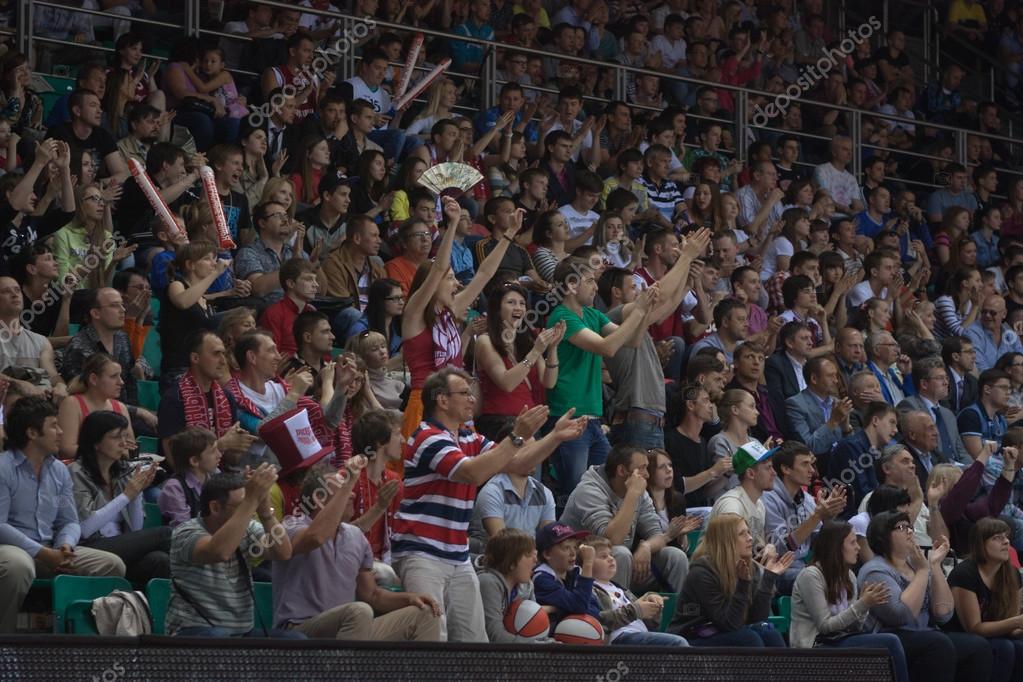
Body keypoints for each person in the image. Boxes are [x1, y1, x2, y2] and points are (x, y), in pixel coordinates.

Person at [390, 367, 586, 642]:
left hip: (457, 554)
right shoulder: (427, 436)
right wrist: (516, 436)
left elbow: (517, 462)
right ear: (442, 400)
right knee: (431, 639)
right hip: (422, 552)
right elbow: (473, 472)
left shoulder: (469, 436)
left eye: (471, 393)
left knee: (475, 642)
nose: (472, 399)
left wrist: (554, 436)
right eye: (464, 393)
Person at [273, 461, 442, 641]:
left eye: (350, 488)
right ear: (319, 498)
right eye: (343, 489)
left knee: (426, 612)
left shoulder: (355, 536)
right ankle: (352, 669)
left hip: (350, 626)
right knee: (358, 611)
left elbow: (372, 595)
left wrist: (409, 598)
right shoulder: (292, 525)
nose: (352, 494)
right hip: (300, 629)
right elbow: (316, 537)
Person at [0, 397, 126, 634]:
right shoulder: (3, 468)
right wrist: (42, 553)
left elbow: (69, 521)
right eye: (54, 426)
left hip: (50, 548)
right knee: (19, 564)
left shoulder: (58, 470)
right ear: (32, 433)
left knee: (111, 564)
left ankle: (72, 636)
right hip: (10, 549)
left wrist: (65, 545)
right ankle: (5, 641)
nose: (61, 432)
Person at [398, 198, 519, 440]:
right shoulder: (413, 315)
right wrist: (451, 224)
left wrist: (510, 233)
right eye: (450, 278)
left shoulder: (451, 309)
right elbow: (439, 267)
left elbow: (485, 273)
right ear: (433, 283)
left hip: (456, 403)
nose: (457, 283)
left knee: (462, 474)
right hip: (425, 403)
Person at [544, 256, 660, 495]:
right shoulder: (561, 316)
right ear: (572, 285)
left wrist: (646, 308)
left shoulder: (592, 314)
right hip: (569, 417)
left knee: (611, 486)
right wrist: (638, 309)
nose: (596, 287)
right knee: (573, 491)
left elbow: (633, 340)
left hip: (593, 419)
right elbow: (607, 347)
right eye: (589, 281)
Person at [166, 468, 303, 638]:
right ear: (215, 507)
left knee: (295, 640)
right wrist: (250, 501)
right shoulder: (185, 532)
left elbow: (283, 552)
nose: (250, 512)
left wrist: (266, 512)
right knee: (219, 637)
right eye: (242, 506)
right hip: (194, 630)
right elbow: (219, 552)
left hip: (241, 633)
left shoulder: (248, 528)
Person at [858, 511, 993, 682]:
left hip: (924, 635)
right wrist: (923, 571)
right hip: (890, 637)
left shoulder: (915, 565)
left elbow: (943, 614)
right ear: (882, 537)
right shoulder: (875, 570)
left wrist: (934, 566)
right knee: (938, 644)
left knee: (978, 647)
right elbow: (901, 615)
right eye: (901, 527)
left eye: (910, 527)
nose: (909, 532)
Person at [560, 444, 691, 594]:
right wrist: (632, 495)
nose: (647, 475)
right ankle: (619, 613)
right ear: (621, 470)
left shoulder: (639, 489)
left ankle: (672, 614)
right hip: (582, 569)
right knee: (620, 553)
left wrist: (646, 546)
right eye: (642, 468)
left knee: (675, 557)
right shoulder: (589, 491)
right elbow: (613, 540)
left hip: (621, 568)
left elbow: (657, 534)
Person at [789, 520, 911, 682]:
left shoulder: (849, 576)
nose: (858, 547)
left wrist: (866, 605)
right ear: (836, 546)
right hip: (814, 646)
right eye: (852, 542)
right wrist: (862, 604)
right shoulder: (811, 576)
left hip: (838, 640)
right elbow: (825, 627)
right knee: (890, 642)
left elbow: (855, 627)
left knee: (887, 644)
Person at [69, 410, 171, 587]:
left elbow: (135, 529)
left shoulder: (123, 471)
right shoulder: (76, 472)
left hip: (119, 546)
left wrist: (137, 492)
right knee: (166, 534)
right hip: (88, 547)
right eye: (116, 437)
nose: (124, 443)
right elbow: (85, 529)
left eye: (125, 436)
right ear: (96, 442)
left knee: (159, 560)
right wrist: (127, 495)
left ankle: (146, 611)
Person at [670, 513, 793, 646]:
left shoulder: (749, 567)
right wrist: (743, 584)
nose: (750, 538)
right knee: (748, 639)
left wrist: (769, 577)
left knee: (769, 633)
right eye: (742, 534)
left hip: (723, 631)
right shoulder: (702, 572)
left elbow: (757, 618)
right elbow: (729, 623)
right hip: (693, 636)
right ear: (726, 540)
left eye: (749, 532)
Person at [474, 283, 562, 442]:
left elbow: (549, 382)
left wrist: (553, 347)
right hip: (500, 425)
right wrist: (536, 352)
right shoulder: (485, 341)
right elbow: (506, 383)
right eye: (511, 302)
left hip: (531, 423)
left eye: (522, 303)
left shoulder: (527, 341)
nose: (519, 307)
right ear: (497, 309)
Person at [157, 329, 259, 466]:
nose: (223, 361)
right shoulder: (174, 399)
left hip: (221, 476)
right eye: (216, 354)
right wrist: (221, 445)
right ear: (195, 358)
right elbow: (174, 461)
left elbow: (231, 461)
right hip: (184, 482)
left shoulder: (227, 397)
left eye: (224, 354)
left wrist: (237, 447)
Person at [762, 442, 848, 594]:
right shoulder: (768, 499)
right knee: (824, 580)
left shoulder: (806, 499)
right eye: (805, 464)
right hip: (778, 569)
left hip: (803, 566)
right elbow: (782, 547)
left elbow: (819, 542)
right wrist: (817, 516)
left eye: (811, 464)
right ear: (786, 469)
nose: (812, 471)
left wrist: (828, 517)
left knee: (845, 574)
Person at [946, 518, 1023, 682]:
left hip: (995, 633)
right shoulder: (964, 574)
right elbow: (974, 628)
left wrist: (1020, 627)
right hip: (959, 634)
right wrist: (1017, 622)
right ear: (981, 544)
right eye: (997, 538)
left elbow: (1011, 625)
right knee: (1005, 648)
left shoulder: (1013, 574)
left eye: (1006, 536)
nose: (1006, 541)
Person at [586, 534, 690, 646]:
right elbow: (601, 621)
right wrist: (637, 610)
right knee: (679, 643)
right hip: (620, 637)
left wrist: (653, 609)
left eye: (611, 555)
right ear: (587, 563)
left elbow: (651, 626)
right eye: (603, 556)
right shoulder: (590, 590)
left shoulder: (622, 590)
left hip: (639, 634)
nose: (611, 558)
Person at [157, 241, 225, 389]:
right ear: (190, 265)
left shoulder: (204, 299)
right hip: (178, 370)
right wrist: (215, 274)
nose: (213, 264)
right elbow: (182, 302)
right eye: (207, 259)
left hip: (202, 369)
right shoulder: (177, 284)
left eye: (214, 259)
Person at [317, 215, 387, 340]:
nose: (379, 241)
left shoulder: (377, 268)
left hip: (369, 321)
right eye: (374, 235)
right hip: (340, 321)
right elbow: (342, 304)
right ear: (357, 238)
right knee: (354, 316)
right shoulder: (333, 264)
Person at [826, 401, 901, 517]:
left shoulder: (877, 452)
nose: (895, 430)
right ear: (875, 421)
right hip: (850, 520)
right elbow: (862, 493)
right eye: (892, 422)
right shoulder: (850, 447)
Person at [478, 528, 551, 643]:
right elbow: (494, 634)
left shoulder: (527, 586)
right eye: (528, 555)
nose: (535, 560)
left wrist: (550, 643)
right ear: (511, 561)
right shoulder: (488, 582)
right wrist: (537, 646)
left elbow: (536, 624)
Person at [57, 353, 134, 461]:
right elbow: (66, 449)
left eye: (120, 376)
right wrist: (105, 450)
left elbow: (129, 448)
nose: (121, 382)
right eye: (113, 376)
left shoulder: (121, 407)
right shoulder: (72, 403)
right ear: (93, 379)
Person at [785, 357, 854, 457]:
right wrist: (833, 421)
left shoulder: (838, 403)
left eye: (836, 376)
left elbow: (851, 448)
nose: (836, 381)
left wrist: (846, 429)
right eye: (830, 376)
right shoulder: (795, 405)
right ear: (814, 379)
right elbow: (808, 447)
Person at [158, 427, 221, 528]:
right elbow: (184, 529)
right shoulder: (174, 487)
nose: (219, 455)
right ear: (194, 461)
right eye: (213, 451)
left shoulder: (215, 476)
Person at [258, 258, 319, 358]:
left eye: (315, 279)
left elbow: (323, 352)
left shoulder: (313, 312)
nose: (316, 285)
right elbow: (271, 357)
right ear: (291, 283)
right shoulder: (273, 314)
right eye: (308, 279)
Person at [967, 294, 1023, 372]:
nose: (987, 315)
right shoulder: (972, 333)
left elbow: (1021, 358)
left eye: (993, 313)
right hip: (986, 381)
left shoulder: (1010, 334)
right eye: (984, 312)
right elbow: (981, 368)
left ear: (1004, 314)